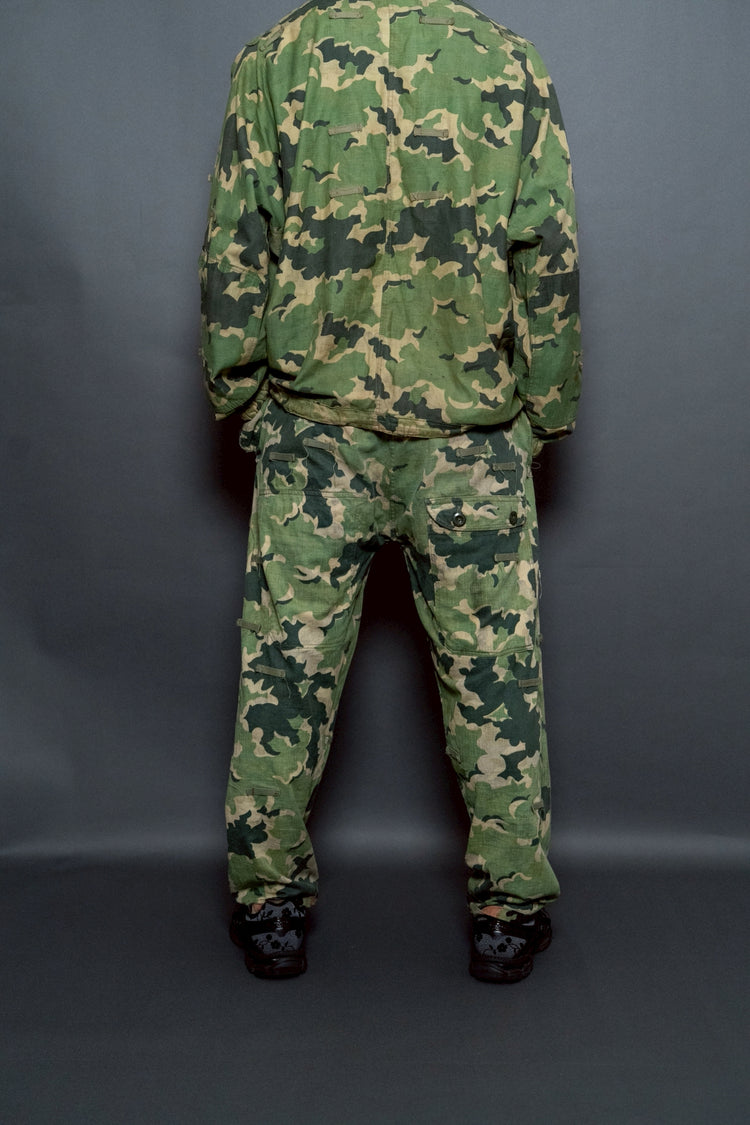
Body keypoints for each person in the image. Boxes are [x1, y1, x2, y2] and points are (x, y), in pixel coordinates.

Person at [199, 0, 581, 983]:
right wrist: (542, 412)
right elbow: (548, 253)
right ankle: (508, 913)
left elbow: (236, 243)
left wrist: (243, 394)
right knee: (496, 680)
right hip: (470, 439)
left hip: (313, 431)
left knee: (284, 676)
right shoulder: (508, 60)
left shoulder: (274, 59)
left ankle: (268, 905)